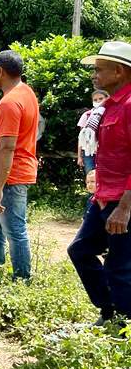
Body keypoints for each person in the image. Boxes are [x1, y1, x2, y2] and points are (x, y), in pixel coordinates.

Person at [67, 41, 131, 326]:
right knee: (80, 250)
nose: (94, 75)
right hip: (105, 197)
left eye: (99, 70)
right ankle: (109, 310)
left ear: (118, 71)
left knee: (120, 266)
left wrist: (125, 208)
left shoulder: (129, 106)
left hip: (124, 201)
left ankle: (123, 324)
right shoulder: (109, 105)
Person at [0, 50, 40, 282]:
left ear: (0, 71)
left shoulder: (9, 103)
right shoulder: (26, 92)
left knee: (14, 230)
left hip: (11, 175)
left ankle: (21, 280)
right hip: (16, 171)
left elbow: (6, 146)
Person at [77, 89, 109, 175]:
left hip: (106, 152)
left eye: (100, 98)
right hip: (89, 153)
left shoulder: (110, 114)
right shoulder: (86, 115)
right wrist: (79, 156)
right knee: (91, 177)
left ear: (107, 99)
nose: (98, 101)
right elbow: (81, 138)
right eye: (95, 100)